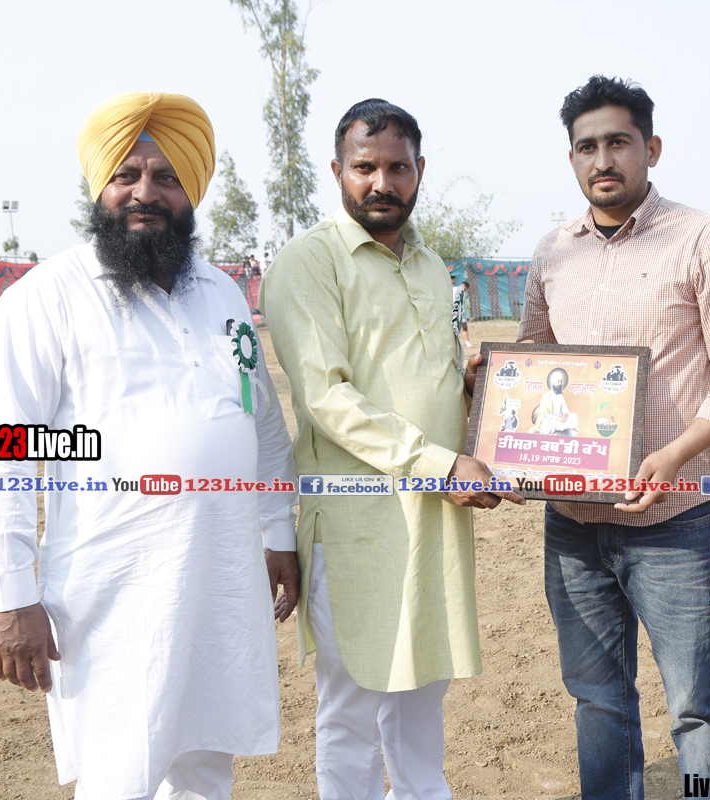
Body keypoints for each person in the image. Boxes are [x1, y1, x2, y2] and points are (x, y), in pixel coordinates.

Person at [0, 91, 298, 800]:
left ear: (191, 192)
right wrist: (11, 596)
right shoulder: (46, 297)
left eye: (167, 177)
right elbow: (2, 453)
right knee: (122, 774)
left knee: (205, 769)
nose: (146, 192)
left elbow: (260, 420)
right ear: (100, 187)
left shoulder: (223, 294)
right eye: (127, 174)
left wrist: (277, 529)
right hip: (113, 590)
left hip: (221, 577)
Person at [517, 75, 710, 799]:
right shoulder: (552, 252)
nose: (602, 160)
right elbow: (534, 360)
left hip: (674, 520)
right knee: (597, 701)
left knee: (696, 709)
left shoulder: (704, 238)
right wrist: (499, 382)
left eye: (618, 142)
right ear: (571, 158)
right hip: (571, 523)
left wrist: (677, 454)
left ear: (651, 149)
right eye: (586, 147)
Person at [260, 98, 523, 800]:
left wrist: (476, 391)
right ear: (337, 171)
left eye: (397, 167)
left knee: (420, 696)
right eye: (364, 167)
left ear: (419, 170)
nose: (382, 182)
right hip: (360, 525)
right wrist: (442, 464)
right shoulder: (309, 262)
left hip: (434, 517)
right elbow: (327, 399)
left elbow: (431, 375)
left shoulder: (431, 265)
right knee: (351, 708)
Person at [528, 368, 578, 436]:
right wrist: (557, 418)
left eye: (561, 381)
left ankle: (557, 428)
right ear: (553, 382)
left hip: (561, 417)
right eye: (558, 381)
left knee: (574, 416)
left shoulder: (561, 395)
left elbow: (564, 407)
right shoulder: (546, 396)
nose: (560, 384)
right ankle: (554, 429)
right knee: (546, 420)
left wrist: (565, 414)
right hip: (551, 418)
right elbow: (544, 414)